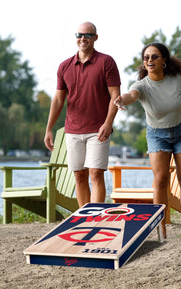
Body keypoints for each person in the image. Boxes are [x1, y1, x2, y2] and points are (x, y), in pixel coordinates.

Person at [114, 43, 181, 238]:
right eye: (146, 58)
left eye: (154, 57)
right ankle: (160, 227)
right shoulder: (141, 85)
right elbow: (131, 96)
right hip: (157, 135)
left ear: (163, 60)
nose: (150, 60)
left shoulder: (177, 80)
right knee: (160, 179)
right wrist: (121, 100)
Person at [44, 22, 121, 208]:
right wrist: (48, 130)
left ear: (95, 37)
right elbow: (58, 100)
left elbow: (115, 96)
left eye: (88, 35)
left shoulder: (106, 62)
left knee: (95, 173)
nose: (83, 38)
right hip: (73, 130)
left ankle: (95, 218)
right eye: (79, 34)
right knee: (79, 175)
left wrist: (108, 123)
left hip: (98, 129)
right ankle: (84, 219)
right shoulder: (65, 66)